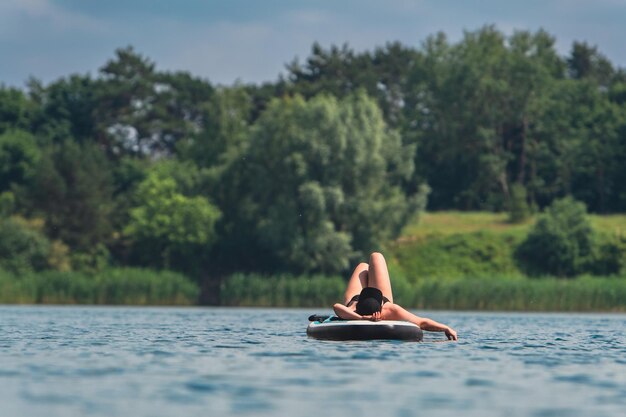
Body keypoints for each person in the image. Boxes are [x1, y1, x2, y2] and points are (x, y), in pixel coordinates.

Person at [333, 252, 458, 341]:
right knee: (364, 266)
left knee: (370, 261)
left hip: (371, 299)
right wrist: (361, 318)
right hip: (360, 300)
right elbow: (421, 322)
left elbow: (422, 323)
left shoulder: (388, 310)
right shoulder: (362, 308)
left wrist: (445, 328)